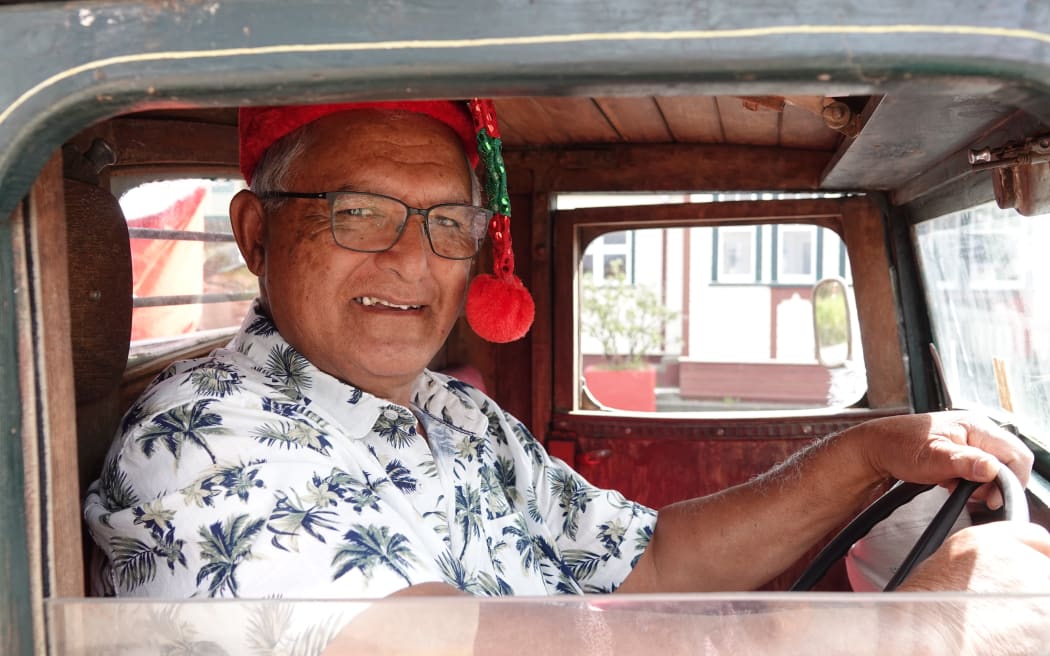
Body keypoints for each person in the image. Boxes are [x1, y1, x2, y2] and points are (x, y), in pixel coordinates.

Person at [83, 99, 1049, 607]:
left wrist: (866, 453)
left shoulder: (451, 411)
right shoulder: (204, 442)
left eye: (449, 223)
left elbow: (653, 566)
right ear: (255, 235)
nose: (413, 261)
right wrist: (937, 637)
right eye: (360, 212)